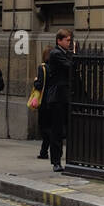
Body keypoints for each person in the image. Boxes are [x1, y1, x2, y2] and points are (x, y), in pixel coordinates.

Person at [44, 29, 75, 173]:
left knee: (68, 129)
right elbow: (70, 66)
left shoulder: (64, 53)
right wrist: (73, 54)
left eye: (70, 40)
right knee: (57, 130)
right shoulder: (56, 54)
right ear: (59, 41)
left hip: (66, 96)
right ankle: (56, 161)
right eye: (67, 40)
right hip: (57, 97)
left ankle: (70, 159)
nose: (70, 43)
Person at [31, 47, 52, 160]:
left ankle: (44, 151)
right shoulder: (57, 67)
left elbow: (39, 85)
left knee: (44, 127)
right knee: (52, 126)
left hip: (44, 101)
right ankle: (45, 151)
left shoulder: (42, 68)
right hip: (55, 100)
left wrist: (35, 80)